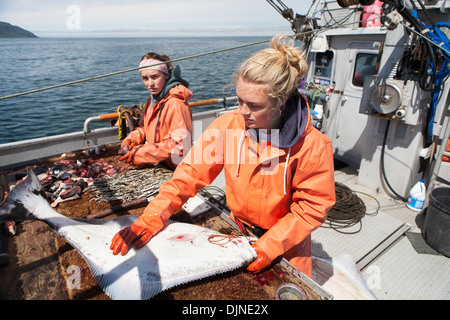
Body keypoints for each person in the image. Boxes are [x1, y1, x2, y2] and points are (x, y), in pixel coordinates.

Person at [110, 35, 336, 278]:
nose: (243, 112)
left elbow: (311, 207)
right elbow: (188, 176)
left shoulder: (314, 146)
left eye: (255, 105)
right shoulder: (228, 126)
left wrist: (269, 246)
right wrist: (150, 218)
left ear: (280, 101)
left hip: (287, 247)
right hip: (239, 233)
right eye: (240, 100)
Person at [119, 52, 193, 169]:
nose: (150, 84)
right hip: (161, 163)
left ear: (166, 75)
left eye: (154, 77)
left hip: (178, 169)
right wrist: (131, 138)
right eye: (145, 78)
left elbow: (181, 146)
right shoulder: (152, 100)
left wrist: (142, 153)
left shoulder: (176, 103)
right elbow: (145, 127)